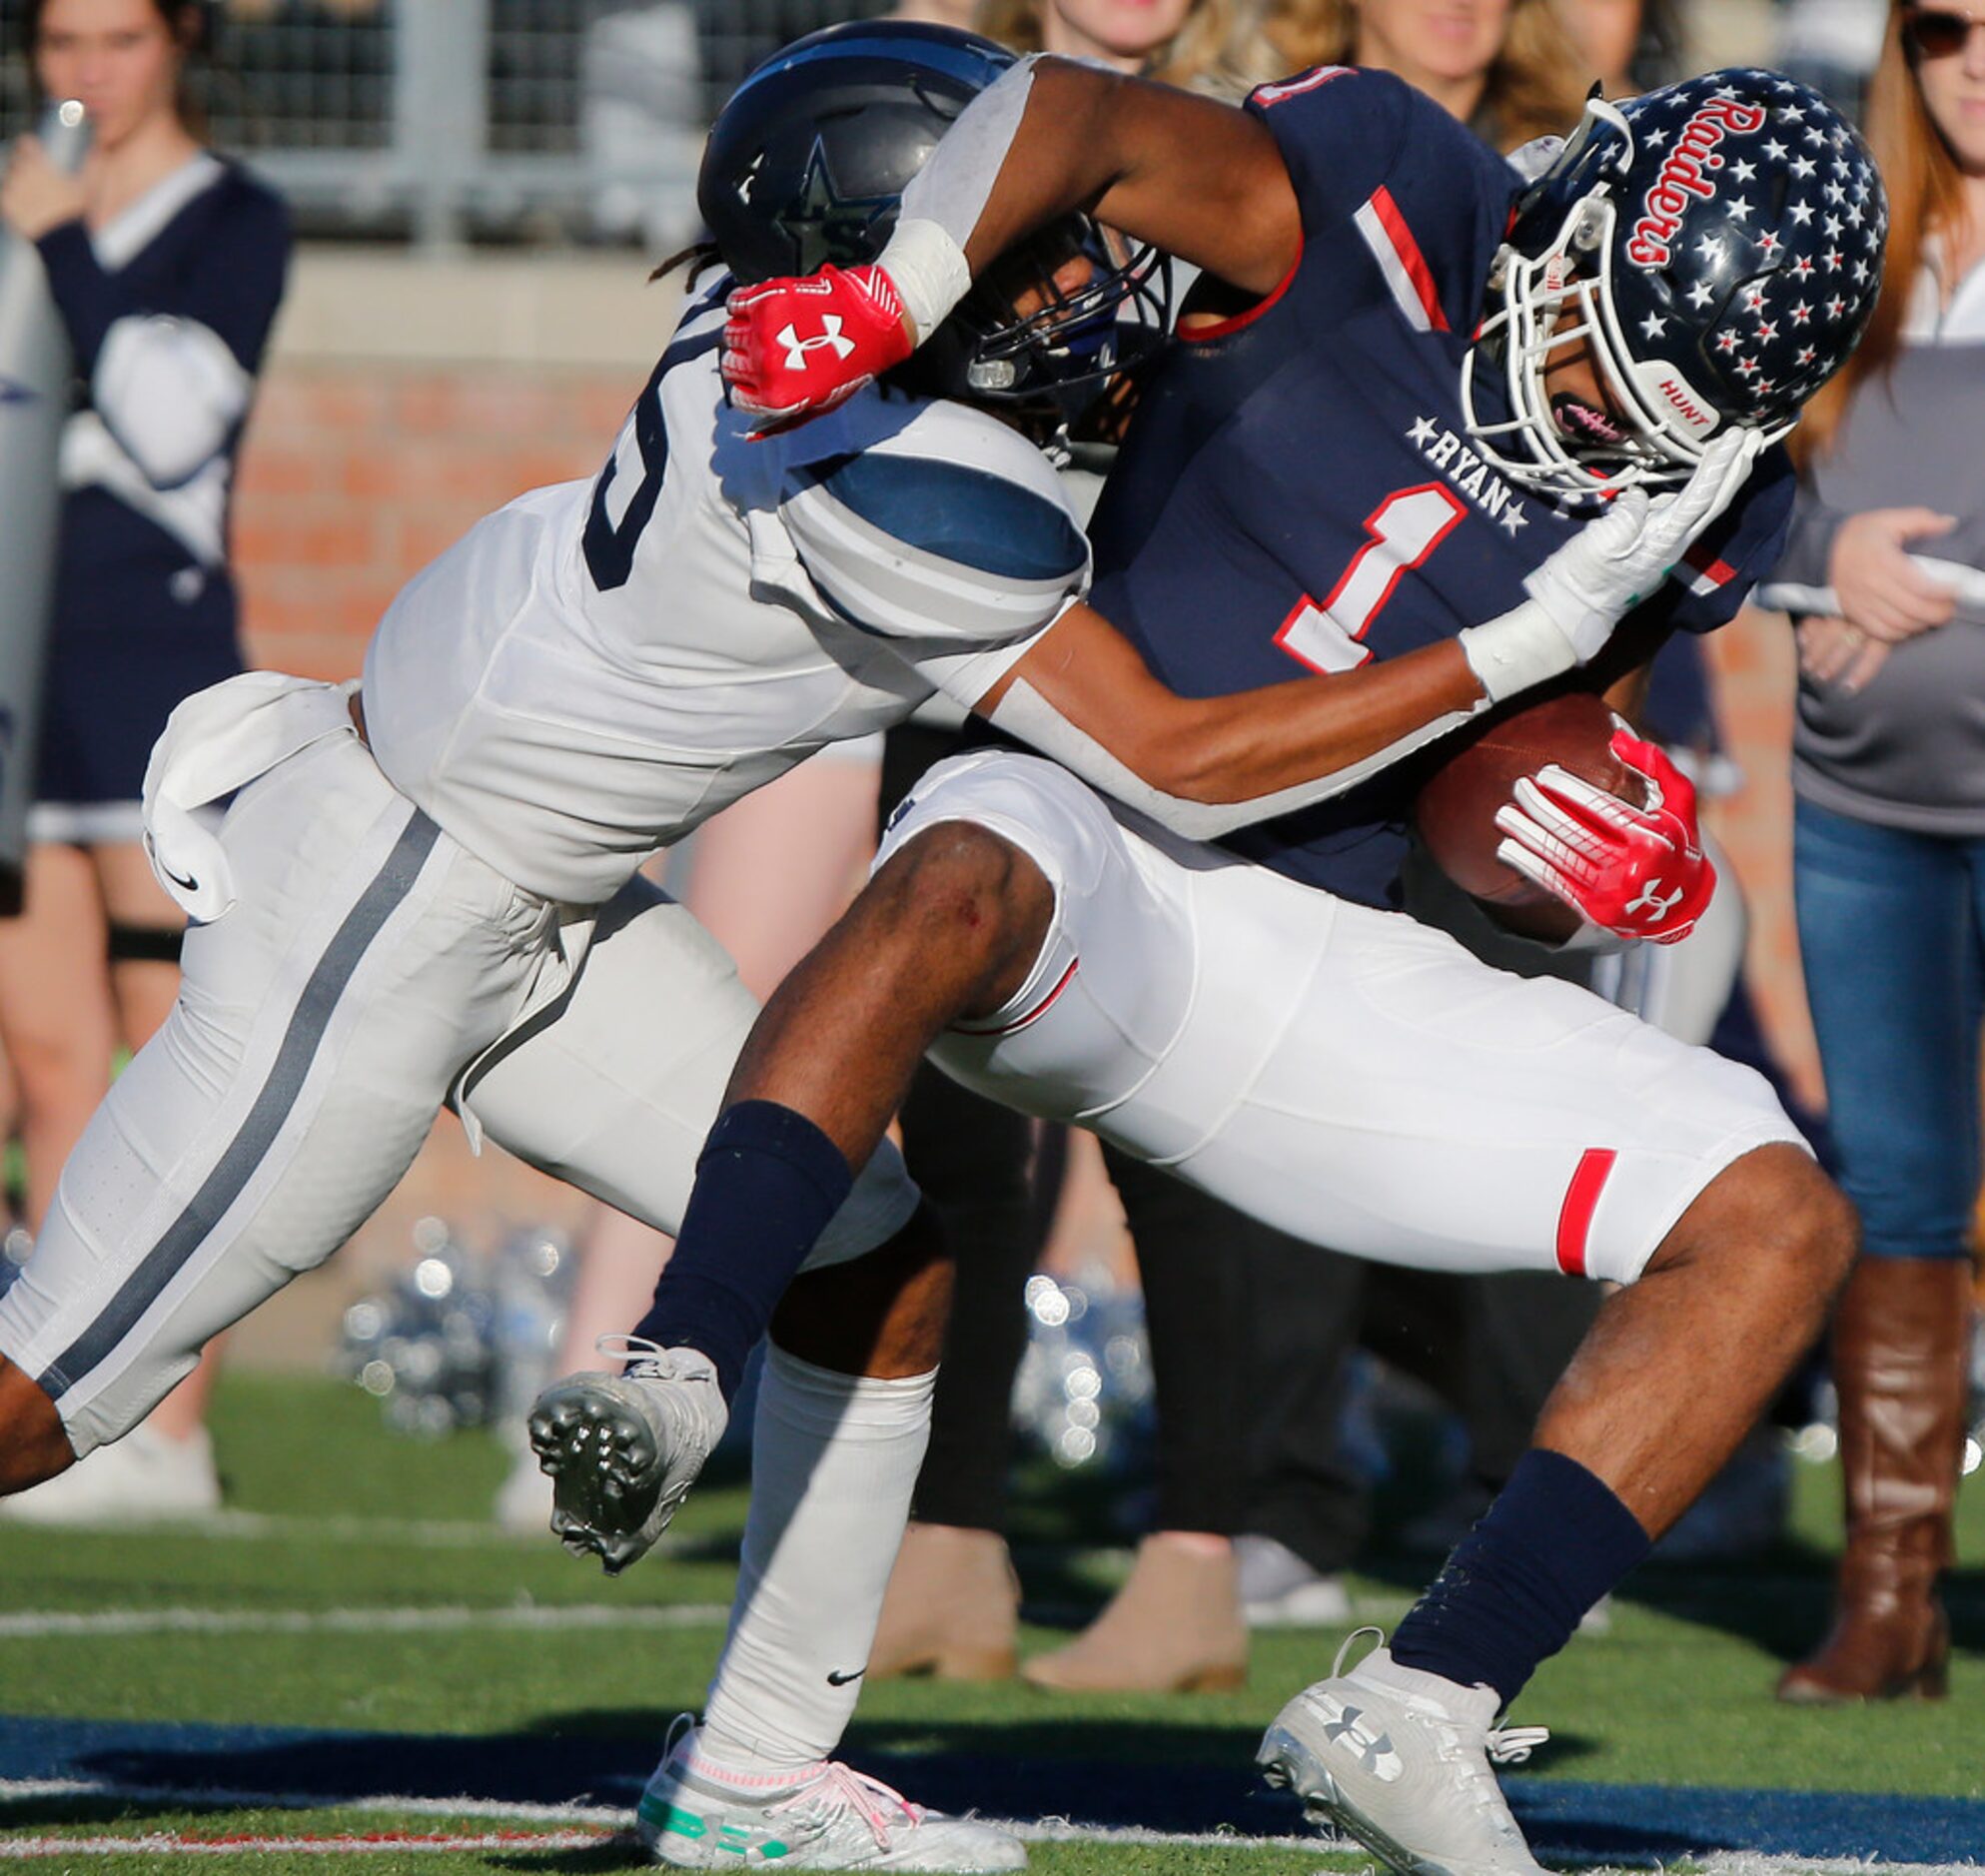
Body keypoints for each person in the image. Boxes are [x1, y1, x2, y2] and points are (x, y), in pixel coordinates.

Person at [0, 22, 1713, 1871]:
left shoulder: (807, 351)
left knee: (876, 1256)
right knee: (48, 1401)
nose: (1089, 279)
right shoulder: (921, 490)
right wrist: (1525, 642)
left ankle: (747, 1773)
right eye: (1034, 255)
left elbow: (1076, 171)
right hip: (384, 911)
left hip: (549, 899)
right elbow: (1183, 762)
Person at [546, 50, 1884, 1876]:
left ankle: (1425, 1701)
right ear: (1568, 218)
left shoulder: (1699, 503)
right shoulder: (1384, 196)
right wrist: (893, 292)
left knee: (1778, 1210)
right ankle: (677, 1357)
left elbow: (1501, 831)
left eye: (1657, 417)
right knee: (957, 855)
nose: (1595, 424)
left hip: (1317, 954)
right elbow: (1072, 114)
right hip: (1100, 843)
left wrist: (1584, 856)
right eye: (1595, 351)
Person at [868, 0, 1310, 1699]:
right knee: (955, 1109)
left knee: (1171, 1124)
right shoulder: (935, 102)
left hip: (1179, 654)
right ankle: (951, 1537)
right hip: (970, 636)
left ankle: (1196, 1558)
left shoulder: (1266, 130)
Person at [0, 0, 290, 1522]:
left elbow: (176, 426)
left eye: (116, 39)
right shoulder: (22, 201)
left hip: (153, 687)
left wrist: (63, 247)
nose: (84, 74)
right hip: (20, 681)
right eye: (58, 43)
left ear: (179, 41)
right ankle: (58, 1416)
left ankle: (169, 1428)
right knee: (49, 1062)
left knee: (176, 1063)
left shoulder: (232, 220)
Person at [1759, 0, 1985, 1705]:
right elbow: (1707, 496)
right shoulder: (1831, 250)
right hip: (1863, 815)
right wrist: (1822, 568)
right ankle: (1892, 1601)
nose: (1978, 60)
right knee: (1895, 1194)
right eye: (1947, 27)